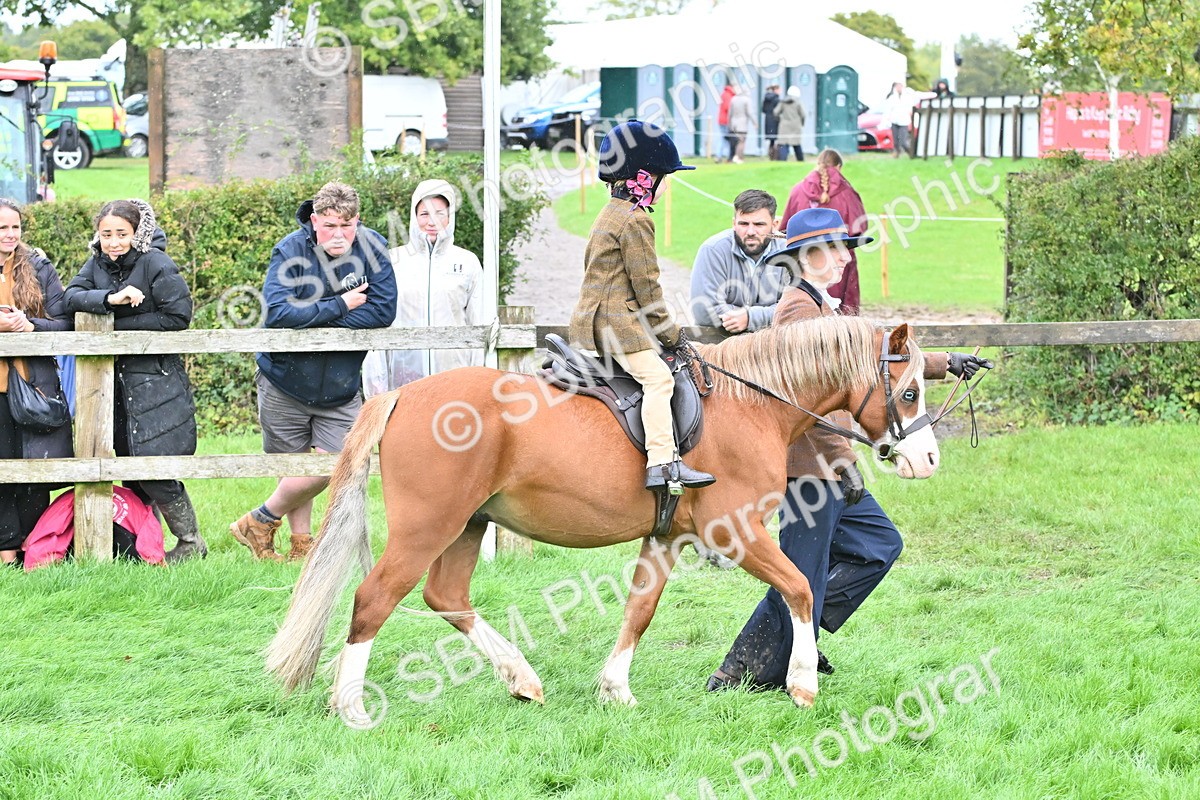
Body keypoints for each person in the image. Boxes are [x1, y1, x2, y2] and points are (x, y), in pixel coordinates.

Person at [707, 208, 991, 691]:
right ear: (806, 257)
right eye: (835, 249)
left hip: (832, 467)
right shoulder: (799, 309)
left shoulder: (826, 307)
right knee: (801, 575)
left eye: (844, 249)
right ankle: (740, 673)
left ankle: (802, 638)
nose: (843, 258)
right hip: (809, 468)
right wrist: (843, 462)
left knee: (879, 546)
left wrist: (945, 363)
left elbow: (874, 356)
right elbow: (800, 401)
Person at [229, 182, 397, 561]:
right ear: (315, 220)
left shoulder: (373, 249)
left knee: (337, 461)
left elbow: (383, 311)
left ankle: (260, 519)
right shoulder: (290, 250)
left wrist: (315, 322)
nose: (339, 235)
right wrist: (341, 305)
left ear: (359, 221)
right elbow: (277, 314)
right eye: (330, 226)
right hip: (283, 377)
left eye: (347, 226)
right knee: (292, 463)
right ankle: (299, 545)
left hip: (340, 382)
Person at [569, 119, 714, 493]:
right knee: (659, 379)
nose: (668, 185)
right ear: (645, 179)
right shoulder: (635, 221)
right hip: (616, 325)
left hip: (594, 320)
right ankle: (663, 464)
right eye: (665, 177)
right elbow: (648, 290)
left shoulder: (610, 213)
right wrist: (672, 335)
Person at [63, 199, 206, 562]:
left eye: (121, 234)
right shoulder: (96, 265)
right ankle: (148, 543)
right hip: (112, 384)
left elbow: (177, 317)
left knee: (155, 466)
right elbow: (70, 298)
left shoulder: (156, 263)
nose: (113, 242)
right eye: (106, 234)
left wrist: (114, 327)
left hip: (155, 379)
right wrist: (110, 298)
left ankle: (191, 542)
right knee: (125, 462)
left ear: (136, 233)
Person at [0, 198, 72, 566]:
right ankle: (5, 549)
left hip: (35, 386)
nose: (10, 235)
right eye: (2, 228)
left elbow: (64, 321)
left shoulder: (39, 267)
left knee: (36, 469)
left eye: (15, 227)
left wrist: (30, 325)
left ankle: (36, 545)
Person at [362, 179, 483, 396]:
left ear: (450, 217)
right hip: (403, 379)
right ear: (414, 216)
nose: (432, 221)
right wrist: (376, 391)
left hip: (456, 380)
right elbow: (377, 324)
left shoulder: (468, 262)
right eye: (424, 214)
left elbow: (479, 324)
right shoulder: (393, 261)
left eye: (440, 213)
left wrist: (478, 384)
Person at [780, 148, 868, 314]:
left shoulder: (798, 189)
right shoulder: (846, 191)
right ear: (839, 167)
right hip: (839, 260)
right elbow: (860, 227)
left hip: (804, 263)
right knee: (843, 315)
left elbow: (786, 229)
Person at [690, 189, 788, 333]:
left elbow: (795, 309)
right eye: (743, 224)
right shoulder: (713, 250)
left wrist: (750, 318)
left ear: (775, 225)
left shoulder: (789, 252)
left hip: (774, 344)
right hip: (720, 342)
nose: (750, 232)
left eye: (759, 224)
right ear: (733, 223)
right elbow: (704, 311)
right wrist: (768, 314)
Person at [881, 80, 936, 158]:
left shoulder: (908, 95)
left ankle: (911, 153)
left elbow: (915, 101)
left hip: (904, 121)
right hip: (894, 120)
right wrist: (888, 118)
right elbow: (888, 109)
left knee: (903, 141)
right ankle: (897, 154)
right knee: (896, 141)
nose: (898, 88)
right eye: (897, 86)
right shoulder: (892, 97)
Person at [773, 86, 806, 162]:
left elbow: (775, 112)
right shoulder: (798, 102)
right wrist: (802, 123)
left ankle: (782, 161)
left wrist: (780, 119)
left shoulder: (783, 102)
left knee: (783, 145)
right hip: (796, 126)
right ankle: (800, 160)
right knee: (797, 144)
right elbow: (803, 115)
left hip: (784, 126)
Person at [726, 85, 756, 164]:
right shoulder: (747, 100)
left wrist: (729, 124)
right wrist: (755, 122)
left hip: (733, 124)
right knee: (741, 141)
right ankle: (738, 157)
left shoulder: (733, 99)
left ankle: (734, 156)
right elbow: (750, 112)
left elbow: (729, 113)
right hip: (742, 124)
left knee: (735, 141)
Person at [716, 83, 736, 162]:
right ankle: (720, 155)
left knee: (726, 139)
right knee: (725, 139)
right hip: (725, 120)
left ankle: (726, 155)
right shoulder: (728, 95)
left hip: (722, 119)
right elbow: (728, 107)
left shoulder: (725, 94)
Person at [761, 84, 781, 160]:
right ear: (775, 90)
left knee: (771, 140)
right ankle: (775, 156)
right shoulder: (777, 99)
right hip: (775, 120)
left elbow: (763, 109)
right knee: (776, 139)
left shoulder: (766, 98)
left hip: (768, 120)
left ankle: (771, 156)